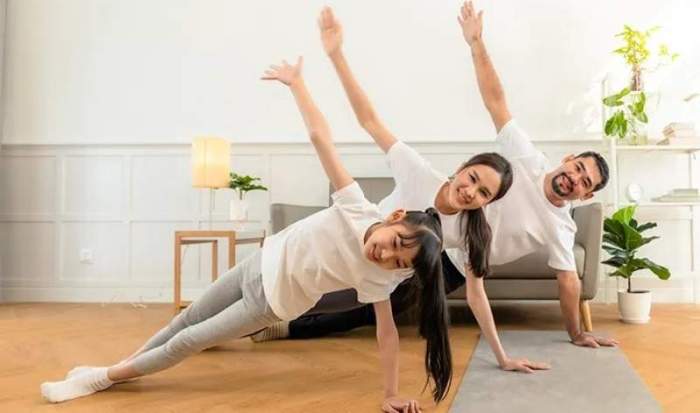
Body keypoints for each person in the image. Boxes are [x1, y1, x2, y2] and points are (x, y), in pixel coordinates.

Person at [40, 57, 451, 412]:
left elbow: (386, 334)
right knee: (185, 320)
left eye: (398, 262)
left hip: (271, 302)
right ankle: (117, 370)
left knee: (189, 341)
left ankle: (98, 379)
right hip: (260, 263)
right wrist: (297, 84)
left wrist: (390, 393)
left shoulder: (381, 278)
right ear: (395, 216)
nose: (385, 256)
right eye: (394, 243)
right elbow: (319, 138)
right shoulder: (356, 206)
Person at [253, 3, 617, 370]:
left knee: (375, 305)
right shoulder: (522, 158)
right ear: (568, 159)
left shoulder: (556, 226)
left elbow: (568, 281)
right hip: (401, 233)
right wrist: (476, 43)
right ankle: (264, 303)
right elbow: (495, 101)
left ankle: (287, 326)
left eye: (584, 183)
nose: (574, 179)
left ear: (585, 195)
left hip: (455, 262)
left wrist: (574, 334)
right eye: (578, 168)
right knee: (334, 274)